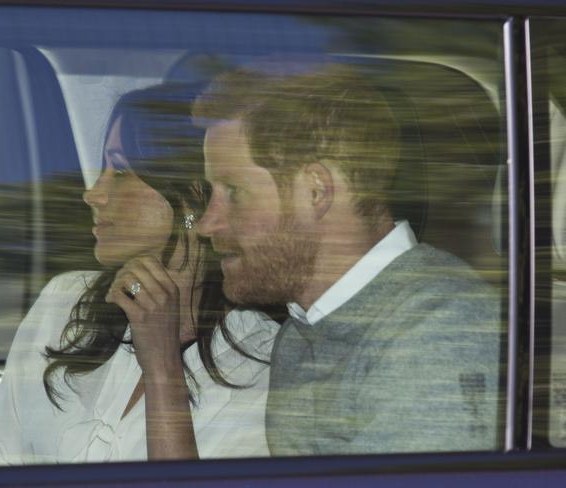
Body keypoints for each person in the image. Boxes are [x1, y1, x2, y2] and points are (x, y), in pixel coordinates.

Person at [193, 64, 504, 455]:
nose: (206, 223)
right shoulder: (300, 333)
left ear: (315, 191)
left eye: (233, 191)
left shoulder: (440, 333)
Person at [0, 83, 277, 466]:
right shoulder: (64, 301)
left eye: (121, 170)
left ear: (193, 197)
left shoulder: (260, 360)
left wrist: (162, 364)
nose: (93, 194)